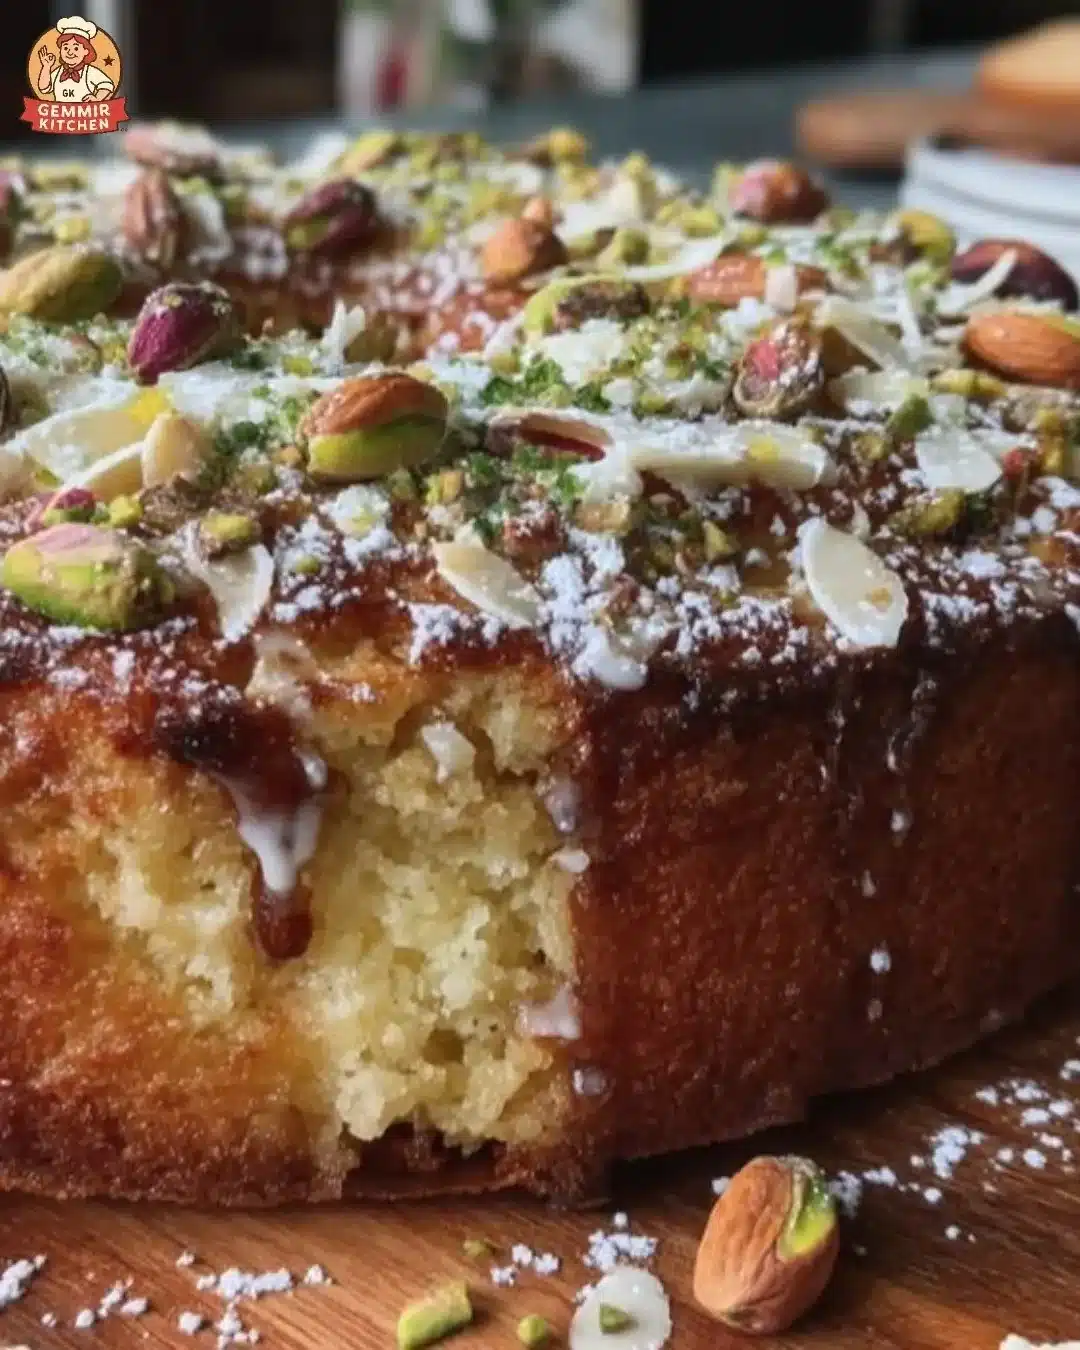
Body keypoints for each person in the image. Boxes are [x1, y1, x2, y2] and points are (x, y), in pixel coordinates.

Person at [36, 15, 116, 104]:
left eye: (76, 48)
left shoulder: (89, 71)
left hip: (86, 115)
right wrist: (46, 67)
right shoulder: (59, 71)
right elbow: (43, 88)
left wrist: (97, 97)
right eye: (65, 48)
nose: (70, 52)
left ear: (86, 51)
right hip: (60, 115)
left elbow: (107, 85)